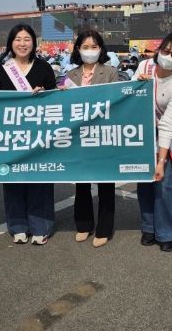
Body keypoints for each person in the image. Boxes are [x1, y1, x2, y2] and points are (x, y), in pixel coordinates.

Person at [0, 24, 56, 245]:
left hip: (39, 135)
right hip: (11, 136)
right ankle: (17, 225)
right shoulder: (2, 69)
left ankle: (41, 226)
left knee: (39, 179)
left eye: (27, 39)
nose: (22, 43)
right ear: (11, 43)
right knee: (13, 179)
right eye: (18, 39)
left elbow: (56, 100)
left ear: (34, 43)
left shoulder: (44, 68)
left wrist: (45, 94)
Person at [132, 33, 172, 252]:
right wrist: (137, 84)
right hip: (144, 128)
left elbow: (168, 124)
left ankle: (166, 232)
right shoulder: (144, 66)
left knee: (164, 182)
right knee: (145, 179)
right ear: (158, 50)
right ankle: (148, 227)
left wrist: (161, 160)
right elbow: (128, 96)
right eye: (165, 51)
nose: (169, 56)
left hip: (168, 129)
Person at [65, 30, 118, 248]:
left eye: (94, 47)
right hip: (79, 136)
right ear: (78, 49)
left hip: (103, 134)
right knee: (81, 182)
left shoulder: (110, 72)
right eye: (85, 47)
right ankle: (84, 224)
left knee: (105, 183)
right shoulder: (71, 75)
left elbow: (116, 101)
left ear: (101, 49)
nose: (89, 51)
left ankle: (104, 228)